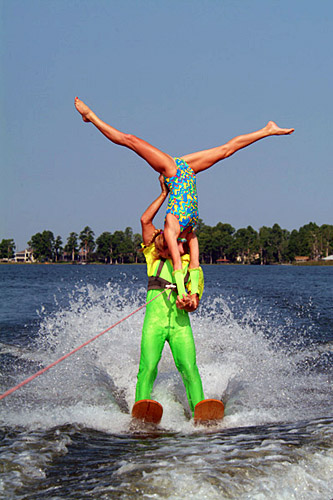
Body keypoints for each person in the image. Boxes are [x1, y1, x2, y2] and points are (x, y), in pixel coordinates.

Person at [74, 97, 294, 298]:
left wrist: (180, 292)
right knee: (225, 151)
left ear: (165, 246)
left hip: (172, 172)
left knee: (130, 140)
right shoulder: (189, 232)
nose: (178, 251)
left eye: (172, 250)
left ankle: (91, 117)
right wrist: (190, 294)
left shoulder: (171, 227)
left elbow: (178, 265)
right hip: (184, 172)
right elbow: (194, 266)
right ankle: (267, 131)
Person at [134, 174, 205, 416]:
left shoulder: (190, 266)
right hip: (154, 324)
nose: (177, 242)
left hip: (179, 325)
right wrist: (164, 195)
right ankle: (141, 406)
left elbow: (195, 302)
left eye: (181, 240)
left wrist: (190, 302)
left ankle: (200, 409)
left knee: (188, 367)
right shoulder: (152, 255)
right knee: (148, 367)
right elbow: (145, 220)